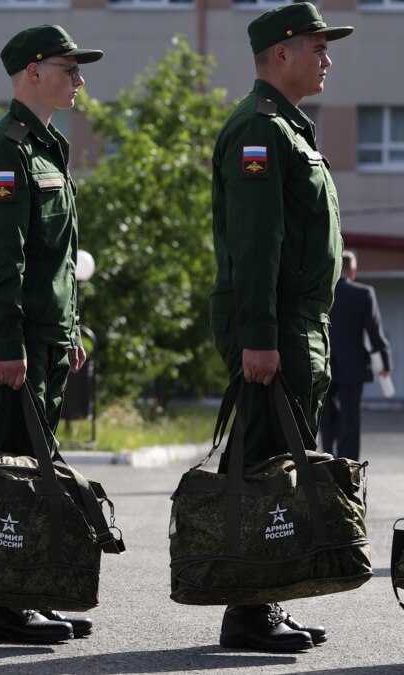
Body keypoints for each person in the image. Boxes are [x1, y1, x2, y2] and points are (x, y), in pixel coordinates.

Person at [209, 2, 351, 652]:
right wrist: (259, 334)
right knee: (267, 462)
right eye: (318, 47)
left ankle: (269, 600)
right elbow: (255, 242)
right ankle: (247, 611)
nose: (328, 59)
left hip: (301, 326)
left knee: (287, 467)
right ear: (282, 53)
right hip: (277, 330)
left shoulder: (291, 129)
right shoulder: (260, 130)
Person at [0, 25, 99, 645]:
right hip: (15, 344)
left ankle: (23, 595)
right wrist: (9, 345)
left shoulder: (46, 148)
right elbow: (3, 261)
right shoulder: (5, 150)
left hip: (45, 338)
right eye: (69, 69)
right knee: (11, 470)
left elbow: (58, 259)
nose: (78, 80)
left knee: (34, 469)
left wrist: (66, 329)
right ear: (32, 72)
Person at [320, 250, 391, 460]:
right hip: (354, 365)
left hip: (324, 365)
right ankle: (348, 466)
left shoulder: (322, 293)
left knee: (326, 417)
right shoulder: (363, 293)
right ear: (352, 270)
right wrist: (384, 363)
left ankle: (326, 461)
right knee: (350, 418)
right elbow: (374, 332)